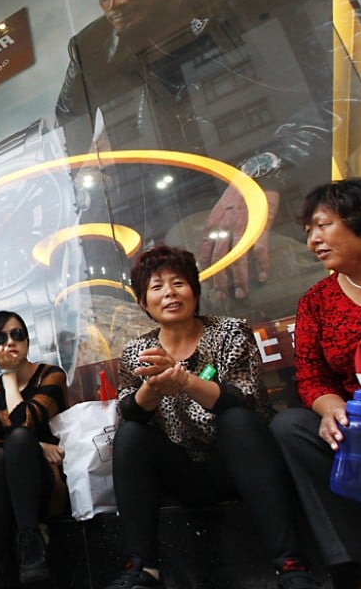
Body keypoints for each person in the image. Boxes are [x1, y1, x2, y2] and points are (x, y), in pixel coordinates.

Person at [53, 0, 335, 310]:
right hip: (186, 210)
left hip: (312, 186)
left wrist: (267, 169)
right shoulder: (93, 51)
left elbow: (347, 86)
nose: (115, 3)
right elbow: (68, 131)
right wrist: (92, 168)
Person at [106, 245, 321, 589]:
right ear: (144, 303)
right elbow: (127, 408)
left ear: (195, 289)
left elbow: (243, 395)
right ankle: (142, 570)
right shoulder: (137, 351)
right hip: (184, 473)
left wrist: (184, 380)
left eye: (178, 283)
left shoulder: (229, 332)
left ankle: (291, 564)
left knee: (237, 420)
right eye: (157, 287)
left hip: (243, 464)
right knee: (131, 435)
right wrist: (154, 387)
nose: (170, 293)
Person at [271, 179, 361, 589]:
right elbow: (311, 376)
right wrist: (330, 408)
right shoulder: (316, 302)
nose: (313, 240)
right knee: (290, 427)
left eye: (324, 225)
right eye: (309, 230)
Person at [0, 311, 69, 588]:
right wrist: (37, 446)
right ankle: (0, 558)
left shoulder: (51, 376)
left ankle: (30, 545)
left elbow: (24, 422)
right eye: (0, 338)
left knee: (17, 439)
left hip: (49, 481)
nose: (10, 342)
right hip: (9, 479)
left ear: (28, 339)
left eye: (17, 334)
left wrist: (8, 374)